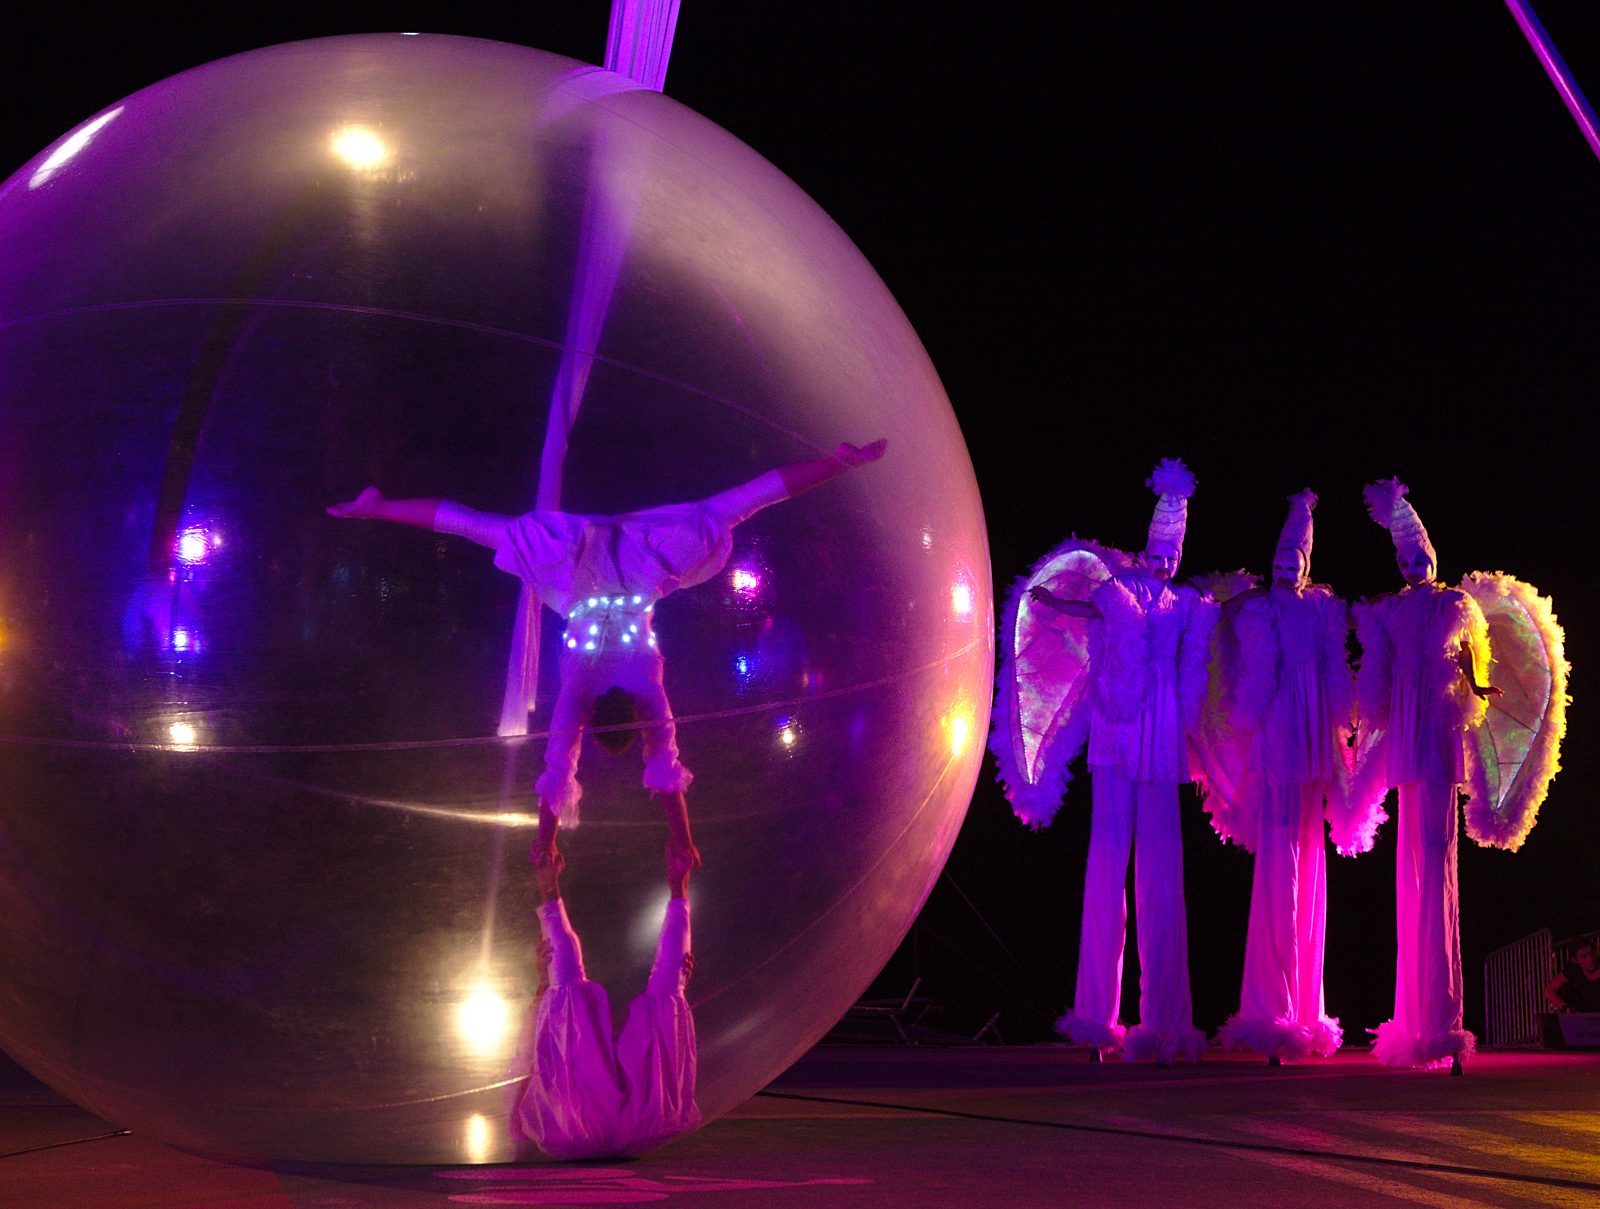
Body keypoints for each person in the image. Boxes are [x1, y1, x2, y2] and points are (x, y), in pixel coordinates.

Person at [328, 439, 887, 870]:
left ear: (635, 722)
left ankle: (840, 462)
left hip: (640, 569)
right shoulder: (580, 695)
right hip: (577, 578)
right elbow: (558, 771)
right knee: (480, 529)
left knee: (736, 506)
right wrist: (544, 843)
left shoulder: (648, 694)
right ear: (595, 720)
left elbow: (665, 774)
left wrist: (683, 840)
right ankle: (378, 507)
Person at [1029, 459, 1217, 1063]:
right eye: (1157, 554)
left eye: (1172, 556)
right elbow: (1092, 612)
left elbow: (1213, 628)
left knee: (1161, 870)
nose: (1164, 564)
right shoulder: (1119, 590)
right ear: (1145, 549)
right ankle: (1096, 1016)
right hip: (1118, 726)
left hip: (1160, 730)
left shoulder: (1183, 602)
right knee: (1108, 860)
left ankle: (1165, 1020)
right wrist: (1054, 601)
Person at [1355, 478, 1498, 1072]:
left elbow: (1469, 652)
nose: (1415, 568)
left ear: (1434, 560)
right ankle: (1414, 1018)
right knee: (1411, 859)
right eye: (1407, 562)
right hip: (1407, 728)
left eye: (1422, 560)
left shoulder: (1451, 604)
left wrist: (1479, 683)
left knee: (1437, 854)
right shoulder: (1392, 610)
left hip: (1437, 725)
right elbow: (1379, 670)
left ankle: (1442, 1019)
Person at [1213, 491, 1353, 1064]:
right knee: (1279, 861)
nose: (1283, 572)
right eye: (1276, 564)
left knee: (1308, 857)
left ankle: (1304, 1010)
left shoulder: (1319, 609)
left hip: (1312, 731)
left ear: (1306, 567)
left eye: (1292, 564)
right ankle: (1271, 1005)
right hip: (1277, 729)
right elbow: (1223, 620)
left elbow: (1336, 664)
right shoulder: (1262, 609)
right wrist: (1245, 596)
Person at [511, 846, 701, 1159]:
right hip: (626, 1124)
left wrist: (543, 986)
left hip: (583, 1124)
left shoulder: (566, 1121)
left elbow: (531, 1058)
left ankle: (678, 885)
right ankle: (679, 884)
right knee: (666, 998)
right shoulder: (646, 1117)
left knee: (567, 1000)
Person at [1545, 939, 1600, 1013]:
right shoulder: (1573, 969)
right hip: (1585, 1015)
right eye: (1584, 956)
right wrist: (1565, 1007)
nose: (1591, 959)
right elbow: (1549, 990)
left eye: (1592, 953)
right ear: (1575, 960)